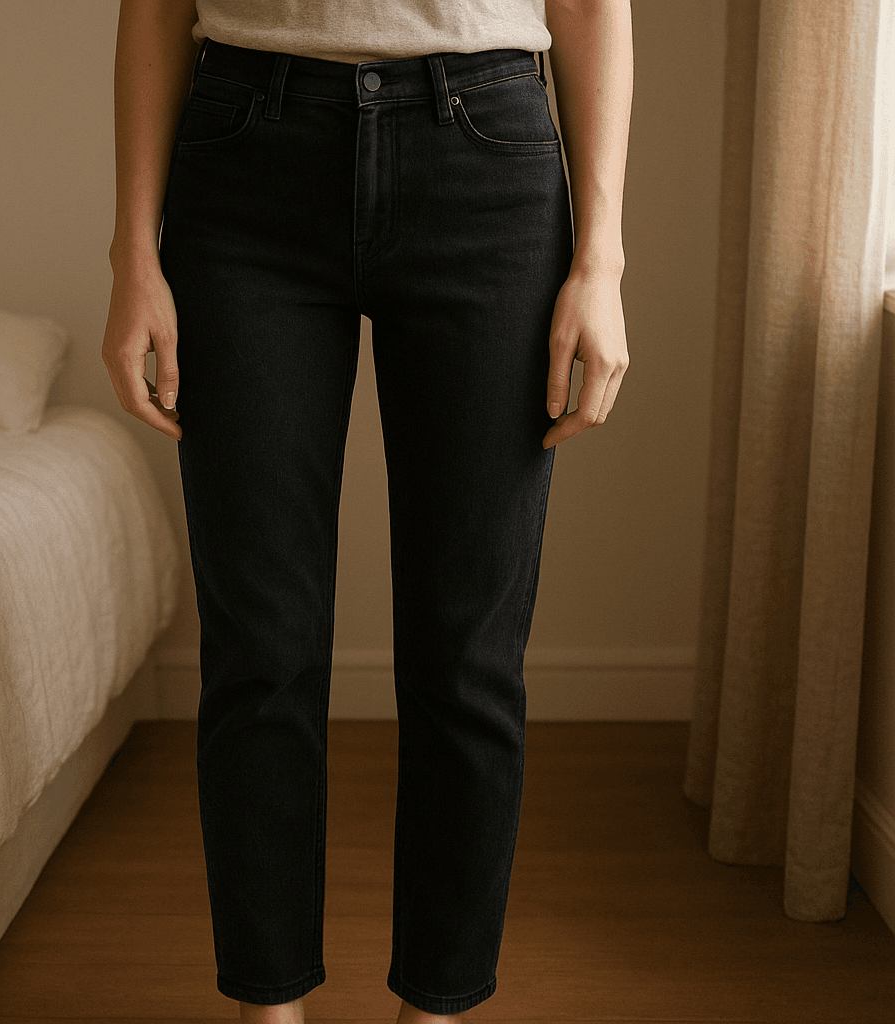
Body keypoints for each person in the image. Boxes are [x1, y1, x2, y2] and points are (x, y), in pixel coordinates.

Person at [101, 1, 632, 1022]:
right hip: (245, 148)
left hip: (486, 150)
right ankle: (268, 1008)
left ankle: (435, 1009)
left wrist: (599, 259)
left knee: (467, 650)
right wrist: (133, 253)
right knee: (260, 643)